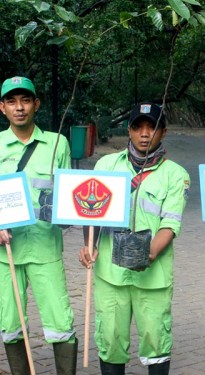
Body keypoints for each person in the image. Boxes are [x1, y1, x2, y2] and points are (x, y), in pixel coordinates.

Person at [79, 102, 190, 375]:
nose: (144, 134)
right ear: (128, 130)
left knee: (156, 343)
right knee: (111, 340)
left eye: (152, 127)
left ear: (163, 132)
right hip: (109, 274)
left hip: (153, 277)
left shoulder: (176, 175)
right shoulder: (106, 165)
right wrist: (89, 245)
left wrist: (149, 253)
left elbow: (170, 224)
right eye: (138, 127)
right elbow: (89, 212)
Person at [0, 76, 78, 374]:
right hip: (5, 252)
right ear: (2, 107)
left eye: (25, 100)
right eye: (12, 101)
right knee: (9, 322)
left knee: (60, 321)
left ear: (36, 104)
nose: (19, 108)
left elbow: (69, 194)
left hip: (45, 246)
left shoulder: (57, 143)